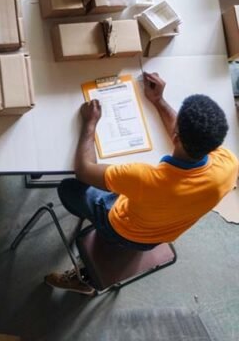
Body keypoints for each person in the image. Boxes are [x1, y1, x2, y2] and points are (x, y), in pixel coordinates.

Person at [46, 72, 238, 295]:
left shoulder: (145, 179)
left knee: (69, 188)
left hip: (122, 228)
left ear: (176, 135)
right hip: (159, 234)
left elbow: (83, 170)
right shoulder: (229, 164)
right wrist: (158, 101)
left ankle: (84, 272)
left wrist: (90, 123)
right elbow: (184, 136)